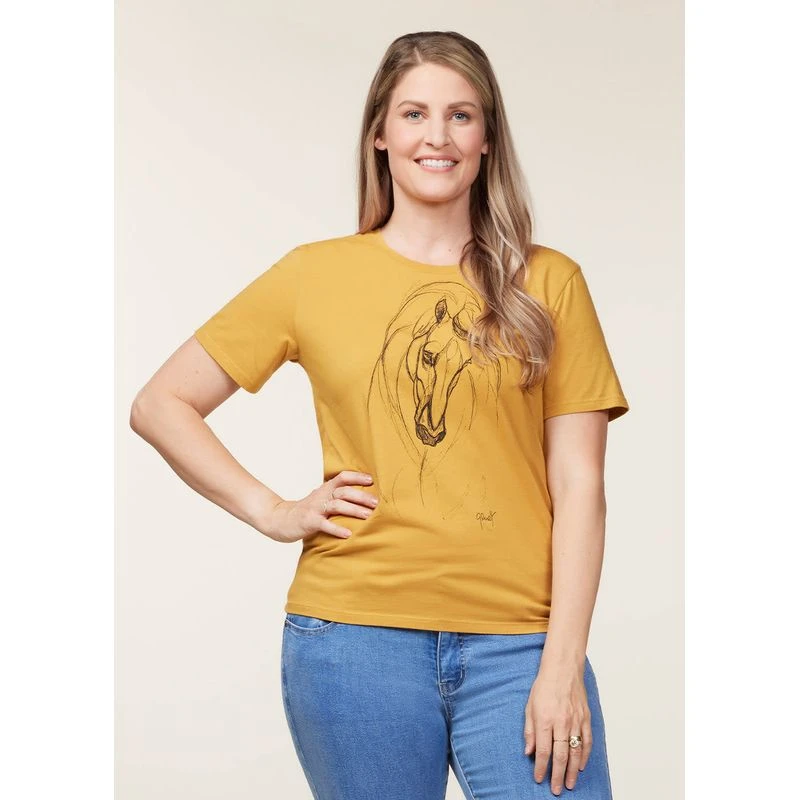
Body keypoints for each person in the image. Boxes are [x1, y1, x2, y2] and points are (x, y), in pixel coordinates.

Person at [130, 30, 629, 800]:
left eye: (461, 115)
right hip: (354, 642)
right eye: (414, 114)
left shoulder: (547, 282)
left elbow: (581, 487)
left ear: (488, 139)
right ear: (380, 134)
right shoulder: (314, 274)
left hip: (522, 643)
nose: (437, 136)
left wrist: (561, 667)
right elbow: (161, 404)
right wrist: (272, 510)